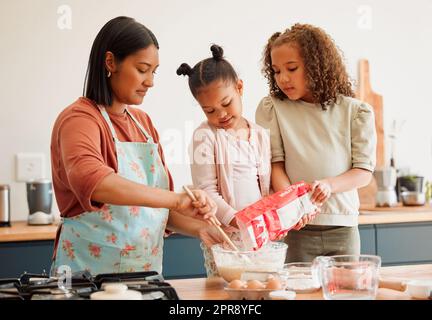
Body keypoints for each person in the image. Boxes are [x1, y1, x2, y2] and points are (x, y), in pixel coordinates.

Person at [50, 16, 222, 276]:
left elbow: (152, 211)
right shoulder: (79, 119)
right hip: (88, 280)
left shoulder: (143, 123)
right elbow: (94, 181)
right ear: (110, 62)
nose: (150, 81)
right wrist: (177, 200)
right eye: (142, 69)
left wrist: (200, 228)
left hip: (145, 280)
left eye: (154, 72)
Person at [176, 45, 314, 276]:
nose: (220, 115)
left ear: (240, 88)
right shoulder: (205, 136)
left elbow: (267, 187)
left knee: (261, 286)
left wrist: (285, 214)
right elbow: (206, 191)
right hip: (227, 239)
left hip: (261, 236)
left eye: (226, 103)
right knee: (230, 290)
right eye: (209, 110)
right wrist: (239, 221)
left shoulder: (260, 134)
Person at [256, 23, 377, 262]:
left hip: (343, 228)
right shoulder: (274, 109)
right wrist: (294, 206)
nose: (283, 78)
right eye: (277, 71)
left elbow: (363, 172)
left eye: (291, 68)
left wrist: (330, 185)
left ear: (316, 65)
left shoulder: (355, 111)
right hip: (298, 228)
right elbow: (275, 166)